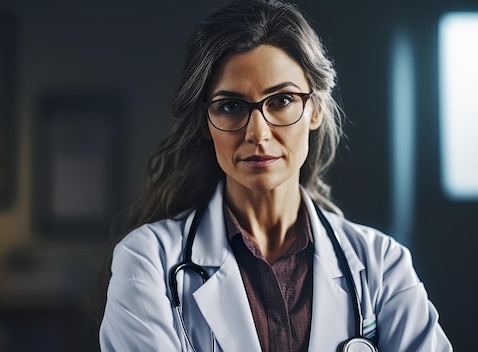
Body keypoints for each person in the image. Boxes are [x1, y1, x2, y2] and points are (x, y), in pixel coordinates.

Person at [99, 0, 452, 350]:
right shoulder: (146, 262)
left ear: (315, 109)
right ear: (207, 123)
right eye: (231, 106)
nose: (258, 132)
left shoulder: (383, 264)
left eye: (281, 100)